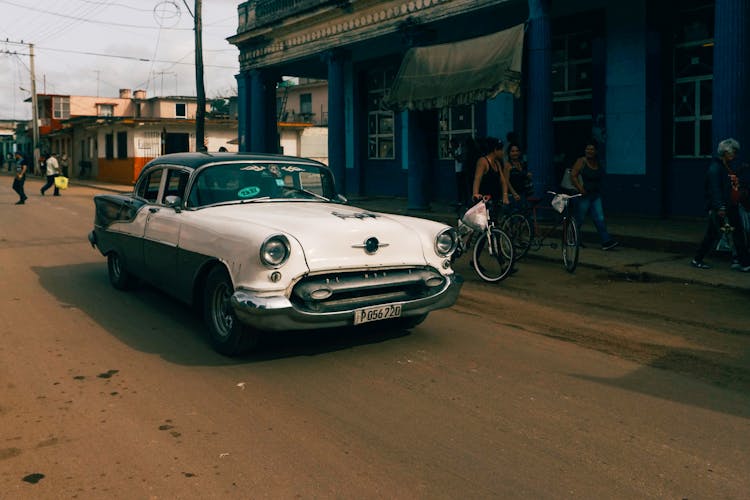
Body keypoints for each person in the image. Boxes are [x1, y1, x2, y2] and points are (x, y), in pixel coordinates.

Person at [692, 138, 750, 271]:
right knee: (724, 234)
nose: (735, 155)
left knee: (732, 233)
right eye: (733, 152)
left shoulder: (724, 166)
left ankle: (742, 262)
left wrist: (740, 171)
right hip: (722, 208)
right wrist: (720, 207)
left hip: (729, 206)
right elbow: (715, 189)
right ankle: (743, 263)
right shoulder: (716, 168)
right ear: (726, 152)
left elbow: (726, 184)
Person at [570, 140, 619, 250]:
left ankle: (606, 242)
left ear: (596, 151)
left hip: (595, 195)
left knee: (600, 218)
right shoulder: (581, 161)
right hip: (583, 195)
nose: (589, 151)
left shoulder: (598, 162)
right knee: (579, 219)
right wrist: (580, 189)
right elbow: (573, 176)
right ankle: (573, 239)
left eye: (592, 149)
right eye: (587, 149)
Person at [472, 136, 509, 216]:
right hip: (485, 198)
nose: (503, 152)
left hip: (495, 197)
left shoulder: (497, 163)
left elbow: (503, 181)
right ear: (495, 150)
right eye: (501, 150)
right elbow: (477, 179)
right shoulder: (483, 161)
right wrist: (475, 193)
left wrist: (505, 195)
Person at [503, 143, 533, 212]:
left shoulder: (521, 164)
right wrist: (514, 194)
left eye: (517, 151)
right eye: (512, 151)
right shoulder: (508, 165)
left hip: (522, 194)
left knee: (523, 216)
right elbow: (506, 181)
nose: (515, 153)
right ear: (509, 153)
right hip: (512, 195)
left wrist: (528, 176)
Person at [449, 138, 468, 207]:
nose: (451, 146)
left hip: (461, 170)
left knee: (463, 187)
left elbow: (460, 159)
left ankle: (465, 201)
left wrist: (453, 154)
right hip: (457, 170)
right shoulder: (456, 150)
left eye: (452, 144)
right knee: (459, 187)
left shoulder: (460, 149)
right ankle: (460, 201)